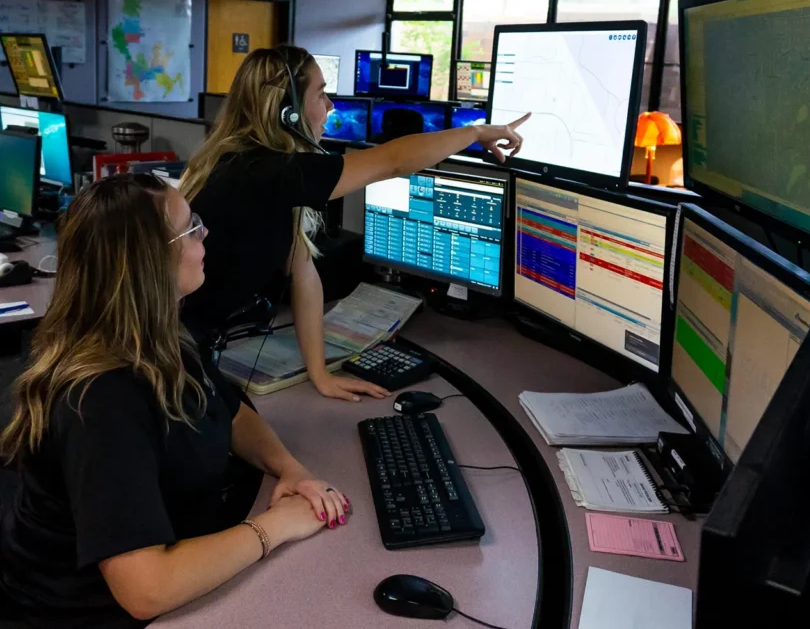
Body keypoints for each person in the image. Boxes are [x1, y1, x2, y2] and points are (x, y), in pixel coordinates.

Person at [0, 175, 347, 627]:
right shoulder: (104, 401)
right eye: (193, 227)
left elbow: (230, 410)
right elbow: (145, 589)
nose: (207, 234)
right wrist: (277, 526)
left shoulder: (160, 335)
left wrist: (290, 469)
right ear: (151, 260)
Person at [179, 46, 529, 402]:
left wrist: (320, 374)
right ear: (289, 112)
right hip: (169, 350)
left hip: (182, 343)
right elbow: (392, 161)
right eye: (321, 93)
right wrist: (475, 133)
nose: (330, 106)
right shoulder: (267, 171)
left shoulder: (243, 162)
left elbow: (304, 275)